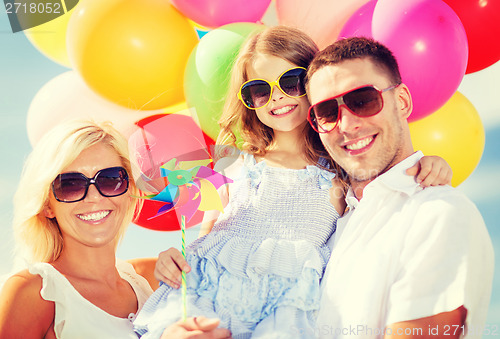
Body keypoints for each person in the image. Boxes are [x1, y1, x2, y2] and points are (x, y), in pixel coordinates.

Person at [133, 26, 452, 339]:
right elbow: (206, 239)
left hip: (286, 307)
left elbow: (388, 180)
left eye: (291, 81)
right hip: (212, 297)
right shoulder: (234, 164)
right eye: (259, 90)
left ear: (313, 83)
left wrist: (429, 163)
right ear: (248, 101)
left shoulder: (342, 167)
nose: (277, 98)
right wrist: (171, 260)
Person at [305, 37, 494, 338]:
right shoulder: (325, 224)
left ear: (402, 101)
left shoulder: (439, 215)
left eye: (363, 100)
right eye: (327, 112)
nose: (346, 124)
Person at [0, 120, 231, 339]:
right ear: (47, 205)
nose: (94, 197)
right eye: (70, 184)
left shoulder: (153, 276)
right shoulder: (34, 291)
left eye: (110, 179)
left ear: (128, 189)